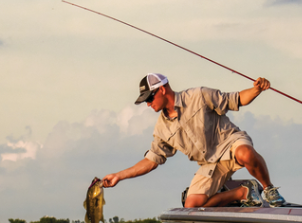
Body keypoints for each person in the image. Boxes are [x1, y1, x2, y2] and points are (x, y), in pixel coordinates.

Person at [101, 73, 288, 208]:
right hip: (211, 164)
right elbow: (151, 161)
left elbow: (237, 99)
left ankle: (269, 189)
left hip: (230, 143)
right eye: (145, 101)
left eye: (150, 98)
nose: (148, 104)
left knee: (245, 153)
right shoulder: (161, 129)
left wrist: (256, 89)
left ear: (163, 89)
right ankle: (243, 192)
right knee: (191, 207)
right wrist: (119, 175)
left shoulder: (199, 95)